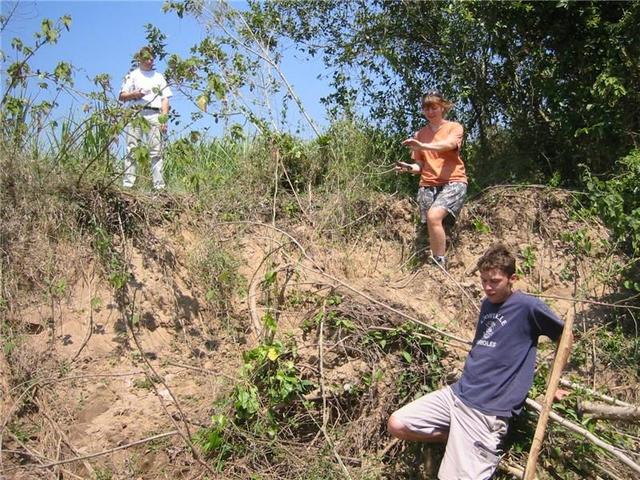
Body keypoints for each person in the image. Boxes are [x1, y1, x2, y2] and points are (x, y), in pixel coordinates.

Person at [387, 243, 572, 479]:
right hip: (458, 394)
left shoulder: (528, 306)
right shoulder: (487, 304)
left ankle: (472, 445)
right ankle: (456, 437)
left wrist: (554, 384)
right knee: (398, 424)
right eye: (484, 280)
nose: (487, 287)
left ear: (512, 278)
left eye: (494, 281)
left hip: (487, 409)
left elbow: (565, 337)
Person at [395, 91, 467, 269]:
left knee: (434, 216)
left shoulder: (454, 127)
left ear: (442, 107)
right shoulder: (420, 134)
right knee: (430, 221)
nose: (430, 111)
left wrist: (423, 146)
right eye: (426, 108)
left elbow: (448, 145)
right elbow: (420, 165)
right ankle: (438, 253)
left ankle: (439, 262)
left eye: (434, 107)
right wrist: (407, 167)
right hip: (428, 185)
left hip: (454, 181)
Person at [119, 46, 173, 190]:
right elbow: (122, 96)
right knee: (132, 149)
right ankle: (128, 185)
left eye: (151, 58)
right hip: (136, 113)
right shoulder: (132, 75)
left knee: (156, 151)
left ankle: (159, 186)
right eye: (146, 58)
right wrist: (134, 94)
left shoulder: (159, 77)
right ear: (140, 59)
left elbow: (165, 99)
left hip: (155, 114)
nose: (150, 60)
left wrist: (164, 119)